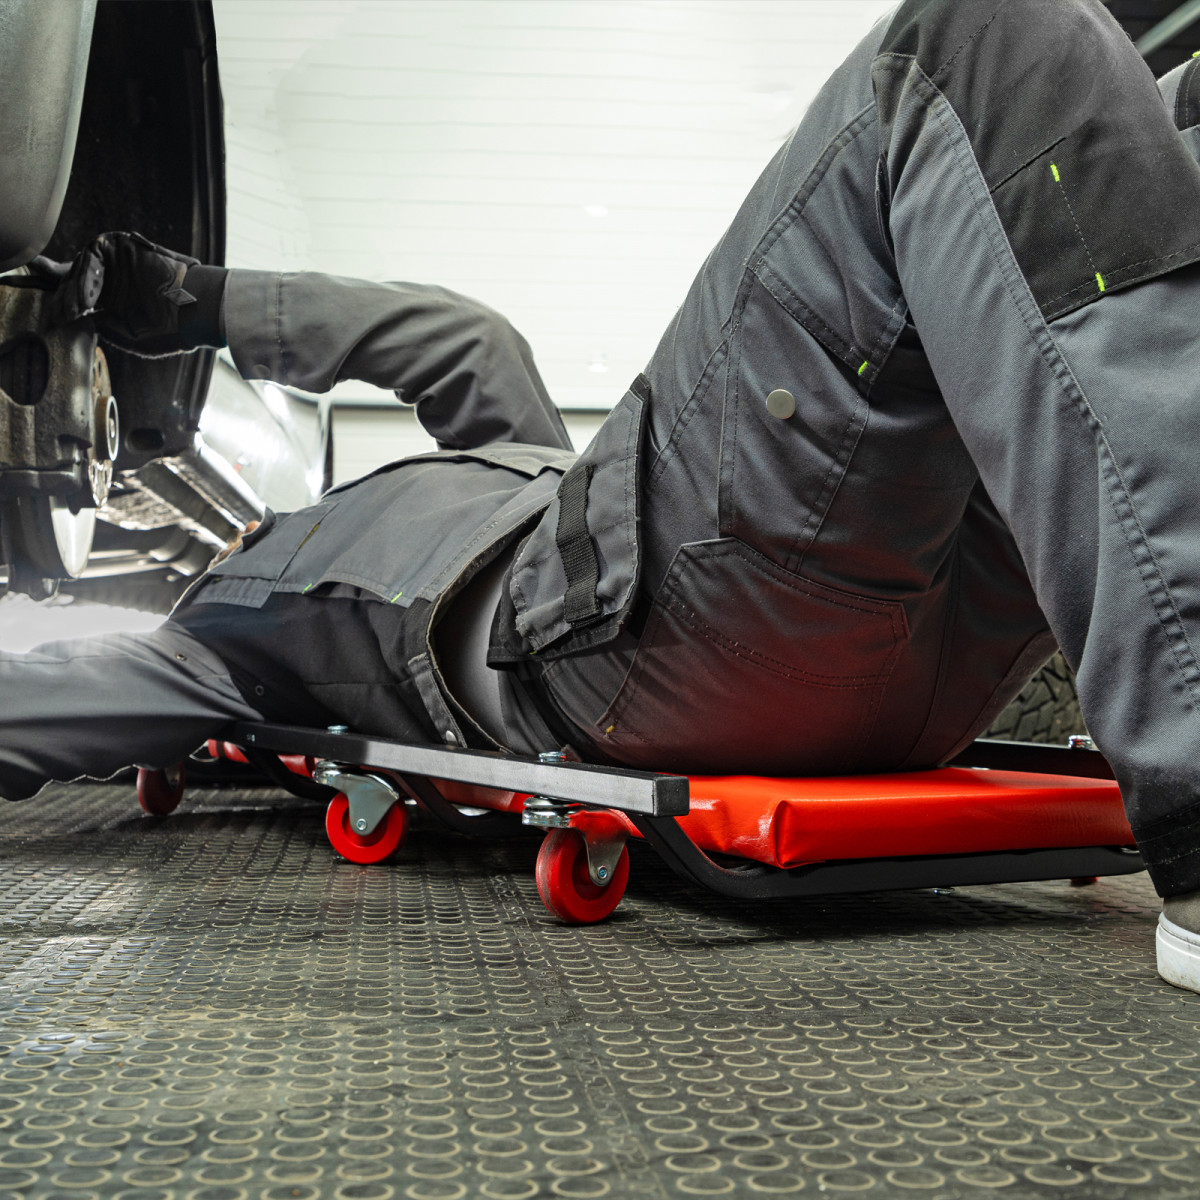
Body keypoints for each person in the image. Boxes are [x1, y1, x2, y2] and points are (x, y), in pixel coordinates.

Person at [4, 0, 1200, 993]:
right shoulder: (211, 639)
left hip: (873, 645)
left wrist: (187, 301)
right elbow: (66, 699)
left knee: (1160, 133)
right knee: (980, 42)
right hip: (634, 657)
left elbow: (463, 346)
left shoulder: (510, 479)